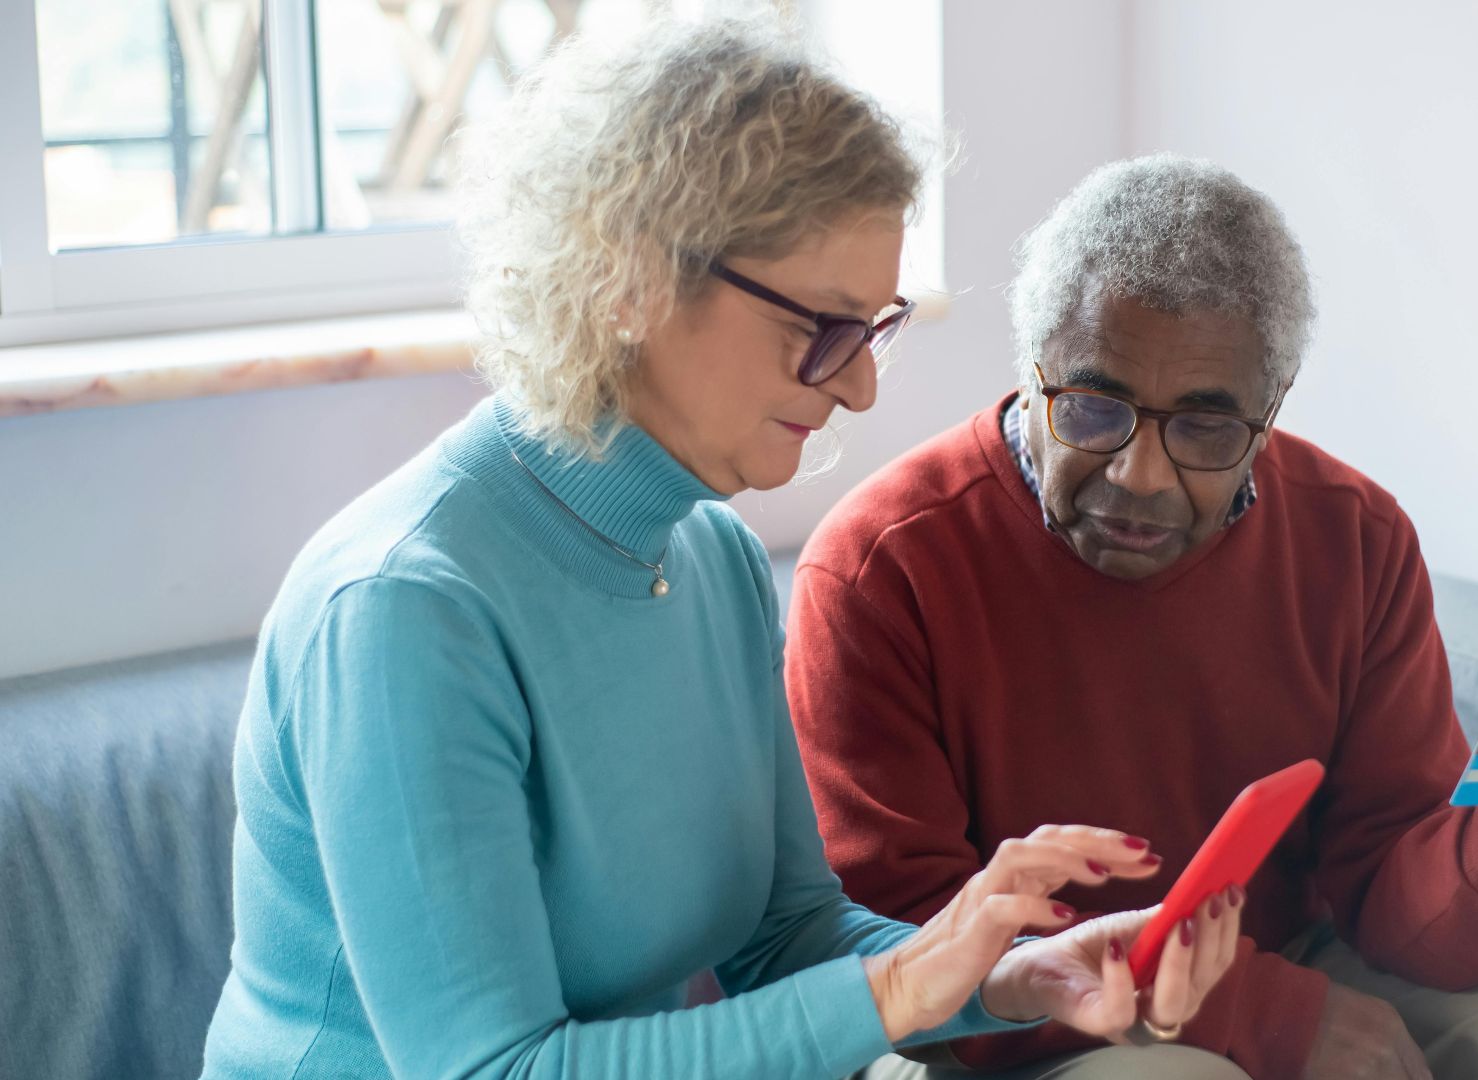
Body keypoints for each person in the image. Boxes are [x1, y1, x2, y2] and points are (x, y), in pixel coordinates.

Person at [198, 32, 1241, 1080]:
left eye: (870, 329)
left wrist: (1017, 976)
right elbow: (492, 1070)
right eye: (820, 328)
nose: (857, 389)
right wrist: (895, 993)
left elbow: (784, 935)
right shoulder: (406, 610)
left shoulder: (714, 559)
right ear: (626, 281)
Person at [787, 155, 1478, 1080]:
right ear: (1033, 375)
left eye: (1207, 429)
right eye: (1092, 409)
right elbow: (900, 945)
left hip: (1279, 955)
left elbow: (1391, 889)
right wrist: (1253, 1014)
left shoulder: (1353, 538)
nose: (1141, 476)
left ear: (1270, 410)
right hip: (987, 1019)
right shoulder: (882, 565)